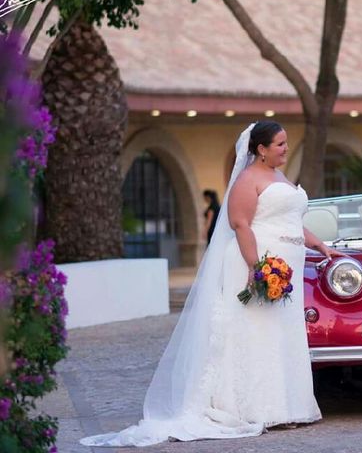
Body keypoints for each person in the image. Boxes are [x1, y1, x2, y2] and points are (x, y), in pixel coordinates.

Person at [80, 121, 342, 447]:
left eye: (285, 143)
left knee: (280, 332)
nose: (286, 148)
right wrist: (257, 267)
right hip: (258, 263)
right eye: (279, 144)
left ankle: (287, 405)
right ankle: (250, 407)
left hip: (287, 266)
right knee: (254, 331)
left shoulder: (279, 178)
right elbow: (241, 224)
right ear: (260, 149)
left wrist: (318, 244)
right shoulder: (248, 181)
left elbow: (291, 221)